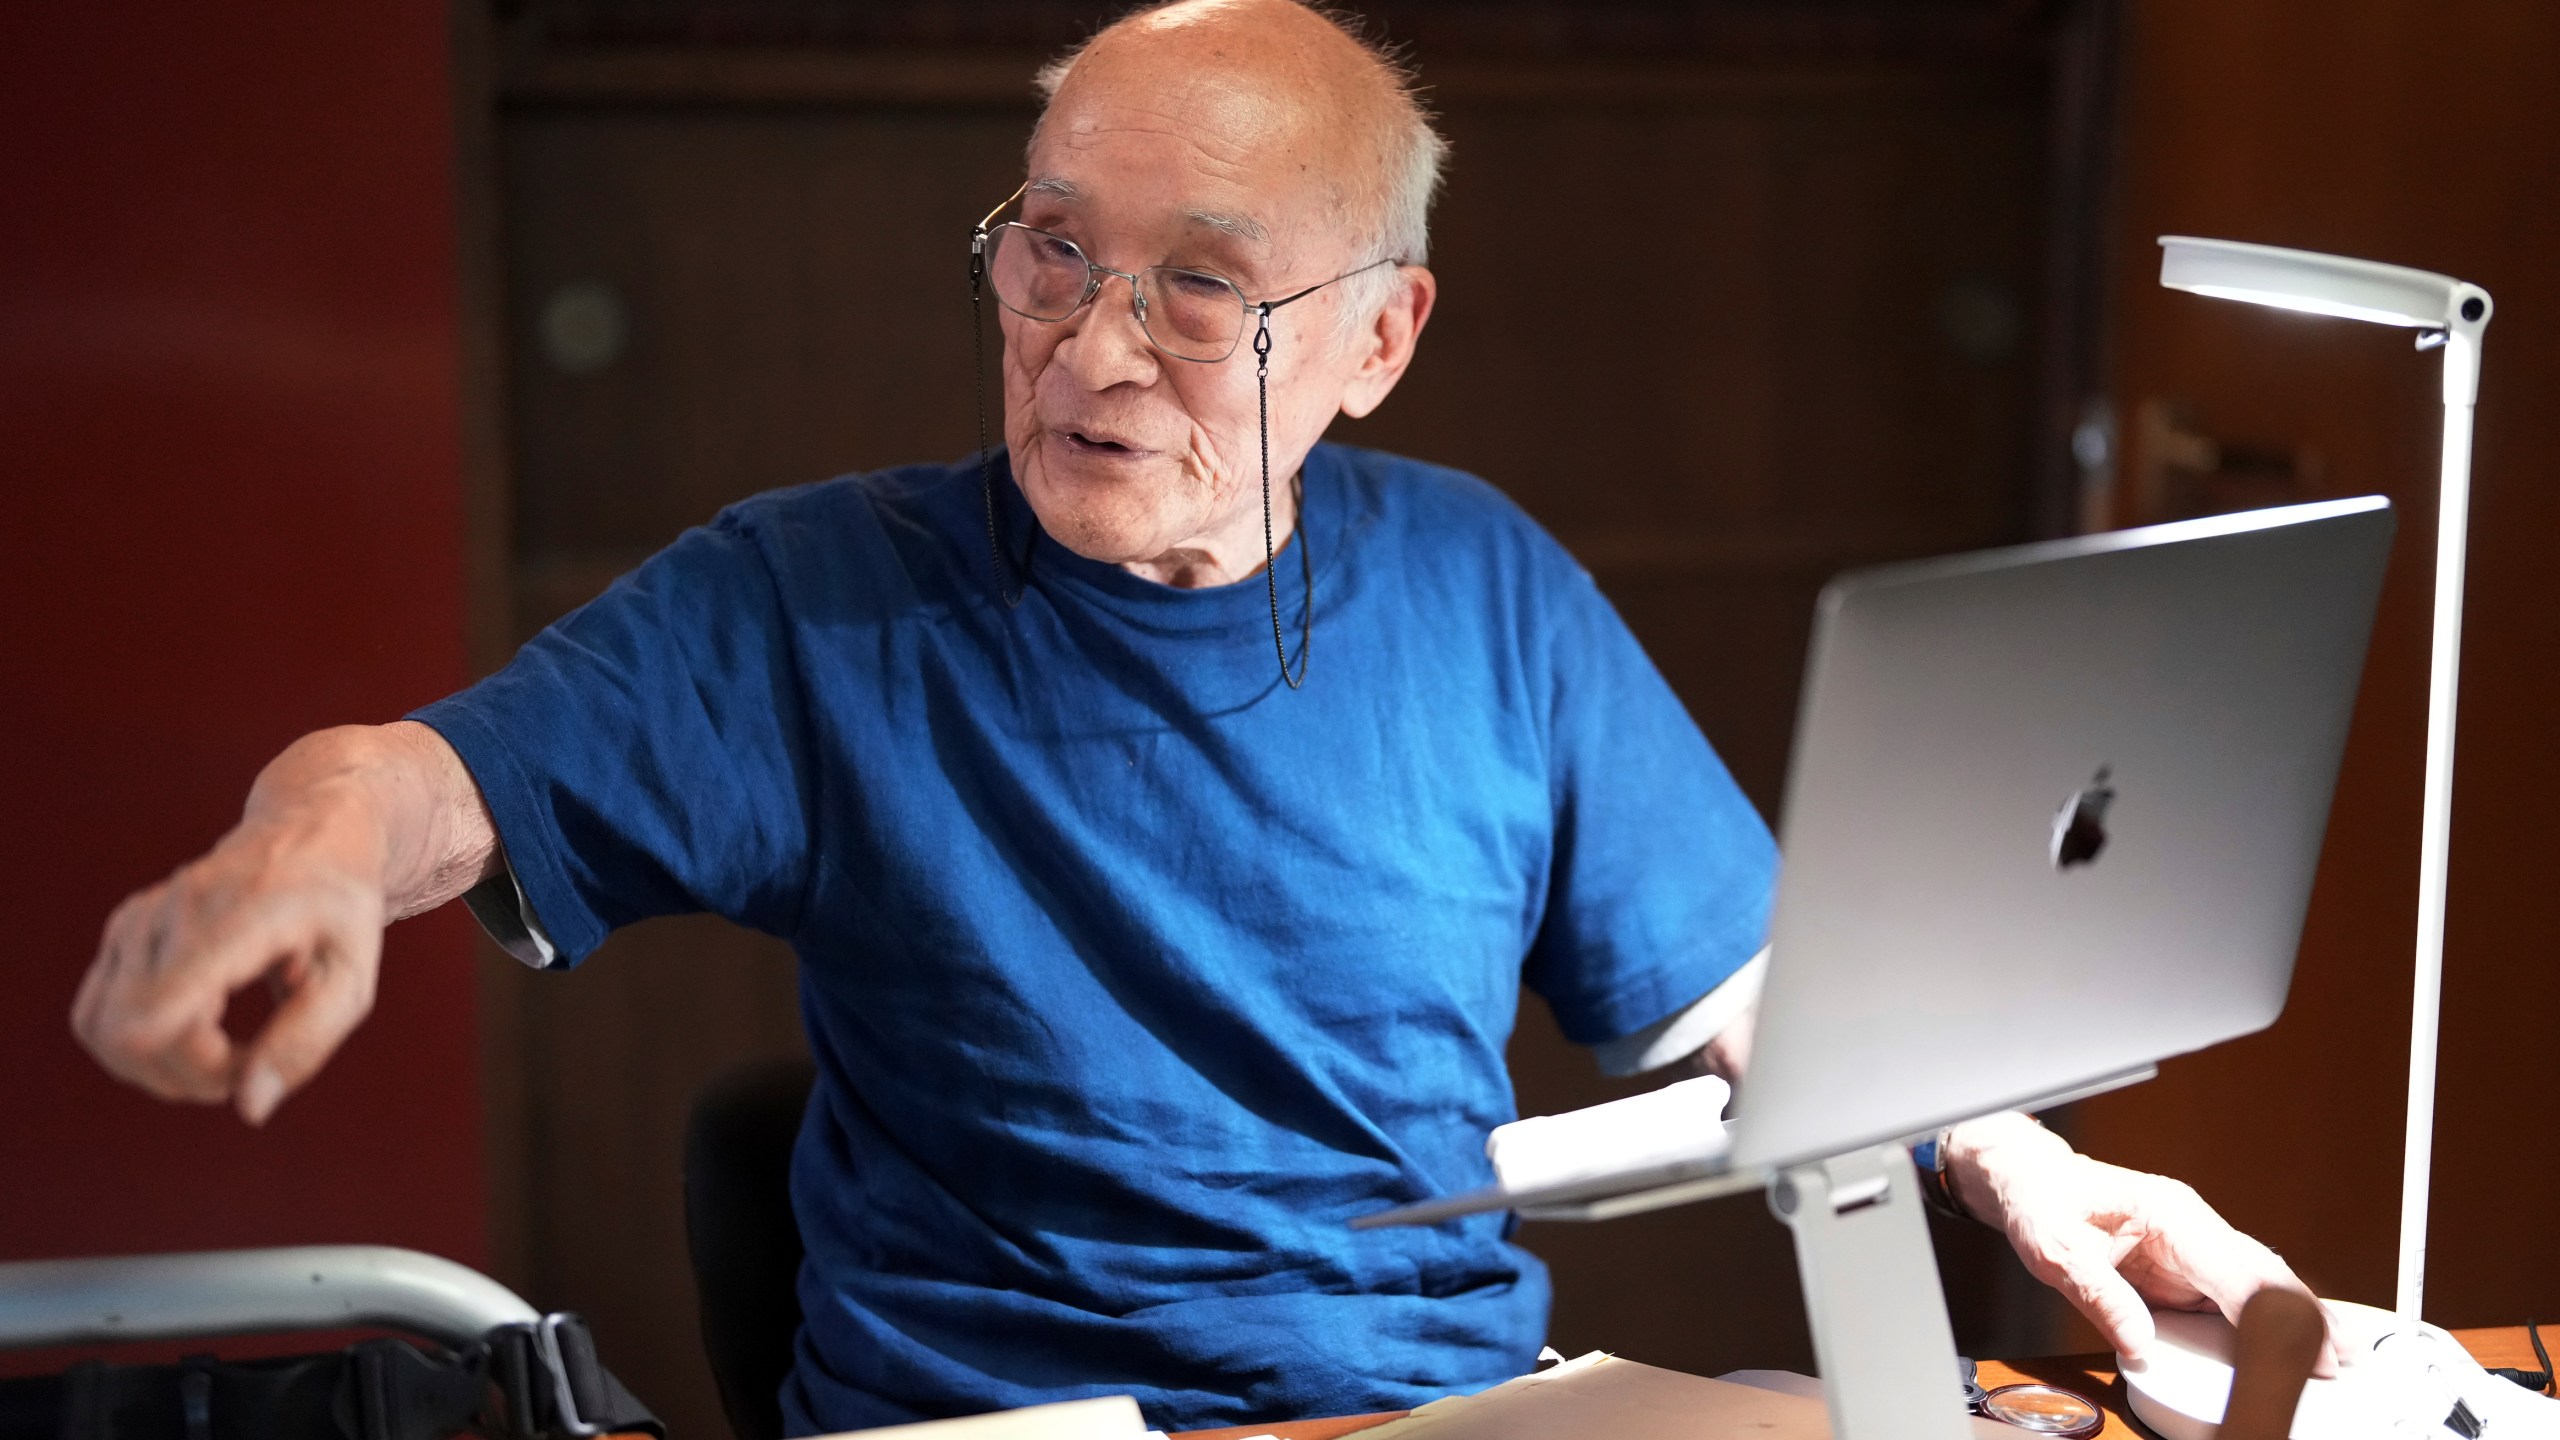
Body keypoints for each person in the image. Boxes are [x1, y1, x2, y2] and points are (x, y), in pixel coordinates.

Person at [69, 1, 2331, 1432]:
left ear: (1377, 338)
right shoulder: (817, 596)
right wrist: (290, 864)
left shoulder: (1477, 585)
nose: (1085, 346)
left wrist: (2044, 1180)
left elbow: (1756, 990)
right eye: (1046, 250)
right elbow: (424, 779)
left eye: (1197, 289)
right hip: (1004, 1430)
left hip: (1436, 1405)